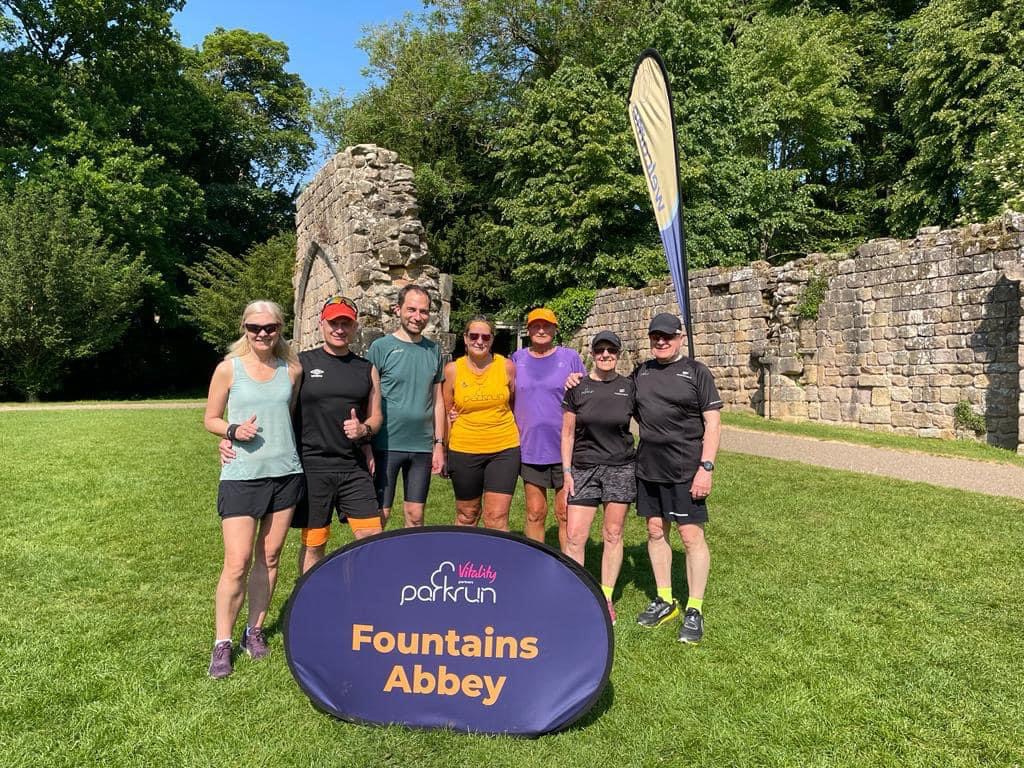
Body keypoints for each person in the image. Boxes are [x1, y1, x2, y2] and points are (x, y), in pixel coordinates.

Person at [203, 300, 303, 679]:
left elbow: (287, 416)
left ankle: (254, 631)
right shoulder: (228, 369)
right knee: (237, 561)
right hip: (242, 476)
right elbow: (210, 418)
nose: (262, 334)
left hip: (286, 474)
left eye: (270, 328)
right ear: (244, 328)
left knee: (271, 556)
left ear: (280, 328)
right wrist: (230, 432)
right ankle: (222, 643)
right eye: (254, 327)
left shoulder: (292, 370)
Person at [631, 312, 722, 643]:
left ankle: (694, 609)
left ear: (680, 337)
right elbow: (611, 396)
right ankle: (666, 600)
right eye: (656, 336)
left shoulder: (696, 372)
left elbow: (712, 423)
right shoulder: (641, 372)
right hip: (649, 467)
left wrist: (706, 468)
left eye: (667, 335)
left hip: (686, 469)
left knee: (690, 537)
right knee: (655, 531)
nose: (661, 341)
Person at [291, 295, 383, 574]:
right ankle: (310, 604)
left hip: (352, 466)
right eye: (334, 322)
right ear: (322, 324)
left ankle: (364, 600)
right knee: (314, 544)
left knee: (372, 539)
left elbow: (376, 416)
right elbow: (280, 407)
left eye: (346, 323)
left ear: (355, 327)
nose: (339, 329)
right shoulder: (301, 364)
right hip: (313, 466)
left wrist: (364, 430)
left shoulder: (366, 368)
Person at [561, 330, 636, 625]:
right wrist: (567, 471)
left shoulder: (629, 387)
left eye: (611, 351)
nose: (606, 355)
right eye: (600, 350)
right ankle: (576, 594)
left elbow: (652, 417)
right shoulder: (577, 387)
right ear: (591, 354)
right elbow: (567, 433)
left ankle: (605, 598)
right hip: (583, 468)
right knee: (575, 536)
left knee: (613, 534)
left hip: (620, 467)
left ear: (618, 354)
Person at [366, 285, 446, 527]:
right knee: (381, 514)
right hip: (386, 444)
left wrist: (439, 445)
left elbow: (438, 400)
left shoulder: (434, 350)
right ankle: (376, 563)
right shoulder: (381, 348)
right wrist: (366, 445)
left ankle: (410, 563)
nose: (417, 317)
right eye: (411, 309)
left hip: (421, 446)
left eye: (423, 311)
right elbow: (369, 396)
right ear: (397, 309)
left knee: (415, 515)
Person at [511, 307, 585, 548]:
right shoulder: (517, 359)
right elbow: (503, 395)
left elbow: (587, 394)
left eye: (546, 326)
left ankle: (566, 567)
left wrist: (579, 382)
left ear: (555, 329)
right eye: (535, 326)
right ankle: (536, 565)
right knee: (535, 511)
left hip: (565, 447)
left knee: (564, 512)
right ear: (529, 329)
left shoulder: (570, 357)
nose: (541, 330)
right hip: (531, 446)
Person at [442, 316, 519, 530]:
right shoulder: (452, 370)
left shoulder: (506, 366)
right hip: (464, 448)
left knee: (497, 517)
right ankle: (465, 561)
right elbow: (447, 412)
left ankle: (495, 563)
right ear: (465, 339)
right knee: (467, 515)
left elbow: (512, 403)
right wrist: (444, 450)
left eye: (485, 336)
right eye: (474, 336)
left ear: (492, 340)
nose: (479, 341)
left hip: (504, 448)